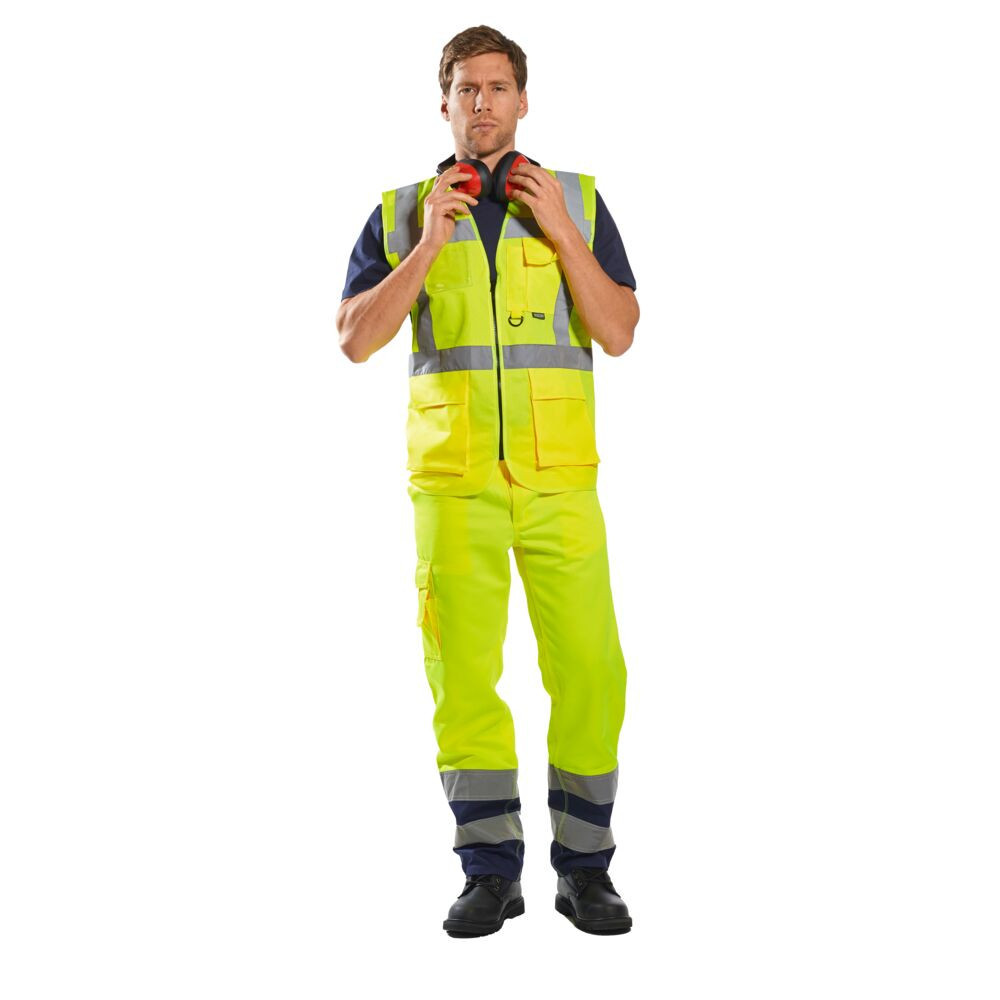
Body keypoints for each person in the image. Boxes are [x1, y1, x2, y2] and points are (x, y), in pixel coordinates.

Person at [336, 25, 639, 937]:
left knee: (592, 670)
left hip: (559, 484)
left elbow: (619, 330)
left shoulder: (579, 202)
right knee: (463, 678)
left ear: (523, 100)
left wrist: (561, 234)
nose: (482, 103)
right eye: (466, 89)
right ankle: (490, 872)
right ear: (445, 104)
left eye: (498, 87)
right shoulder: (402, 212)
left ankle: (585, 871)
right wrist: (426, 246)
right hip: (454, 484)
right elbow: (354, 339)